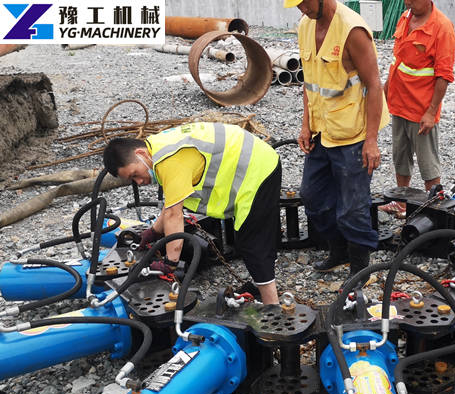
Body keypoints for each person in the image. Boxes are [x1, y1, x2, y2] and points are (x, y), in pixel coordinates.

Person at [103, 122, 282, 305]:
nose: (139, 182)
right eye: (132, 180)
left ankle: (272, 308)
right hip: (257, 160)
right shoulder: (158, 148)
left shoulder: (168, 159)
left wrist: (170, 262)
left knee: (251, 242)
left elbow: (174, 213)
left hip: (259, 169)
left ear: (140, 154)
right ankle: (260, 285)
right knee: (253, 238)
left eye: (135, 174)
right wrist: (154, 232)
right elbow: (172, 202)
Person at [284, 0, 389, 281]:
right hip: (322, 131)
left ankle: (360, 268)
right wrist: (306, 125)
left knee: (353, 207)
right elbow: (310, 82)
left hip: (353, 133)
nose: (301, 9)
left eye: (304, 2)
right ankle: (338, 250)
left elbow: (374, 84)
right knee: (313, 196)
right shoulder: (305, 26)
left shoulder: (352, 30)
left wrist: (372, 141)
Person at [380, 0, 455, 218]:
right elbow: (397, 62)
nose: (407, 2)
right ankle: (402, 204)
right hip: (399, 105)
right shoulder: (405, 18)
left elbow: (444, 75)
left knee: (428, 165)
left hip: (421, 110)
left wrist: (431, 112)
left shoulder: (442, 27)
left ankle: (432, 211)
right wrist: (385, 94)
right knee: (400, 158)